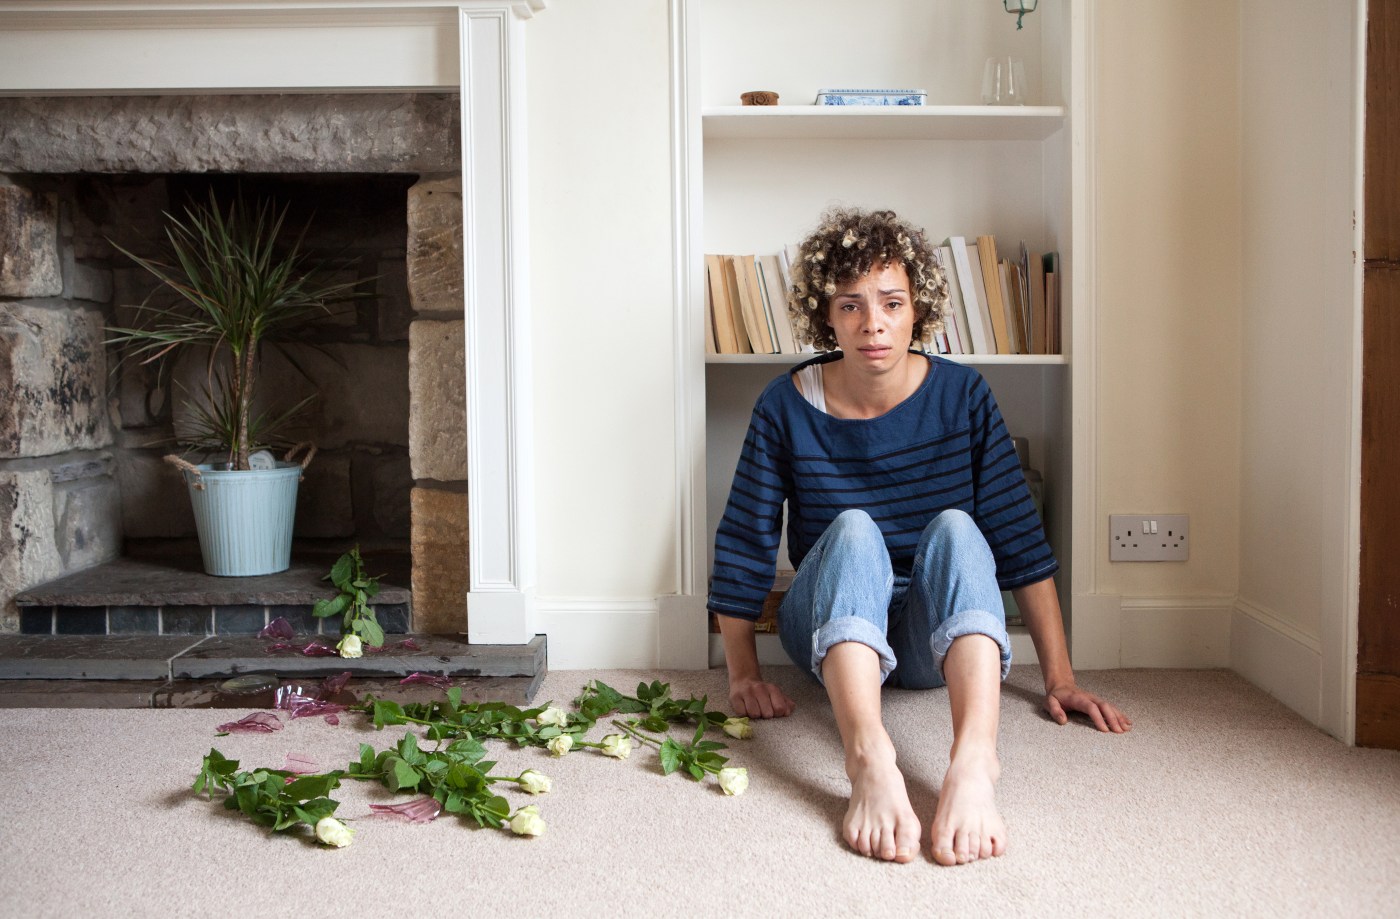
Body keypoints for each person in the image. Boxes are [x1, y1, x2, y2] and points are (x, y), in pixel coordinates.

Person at [708, 207, 1131, 867]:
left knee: (961, 527)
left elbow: (1018, 537)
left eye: (891, 302)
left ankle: (973, 760)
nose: (872, 323)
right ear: (827, 316)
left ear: (918, 310)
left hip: (928, 634)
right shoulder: (783, 404)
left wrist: (1062, 674)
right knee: (853, 527)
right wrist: (741, 673)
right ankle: (869, 757)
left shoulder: (963, 396)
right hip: (830, 618)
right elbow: (745, 539)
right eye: (850, 306)